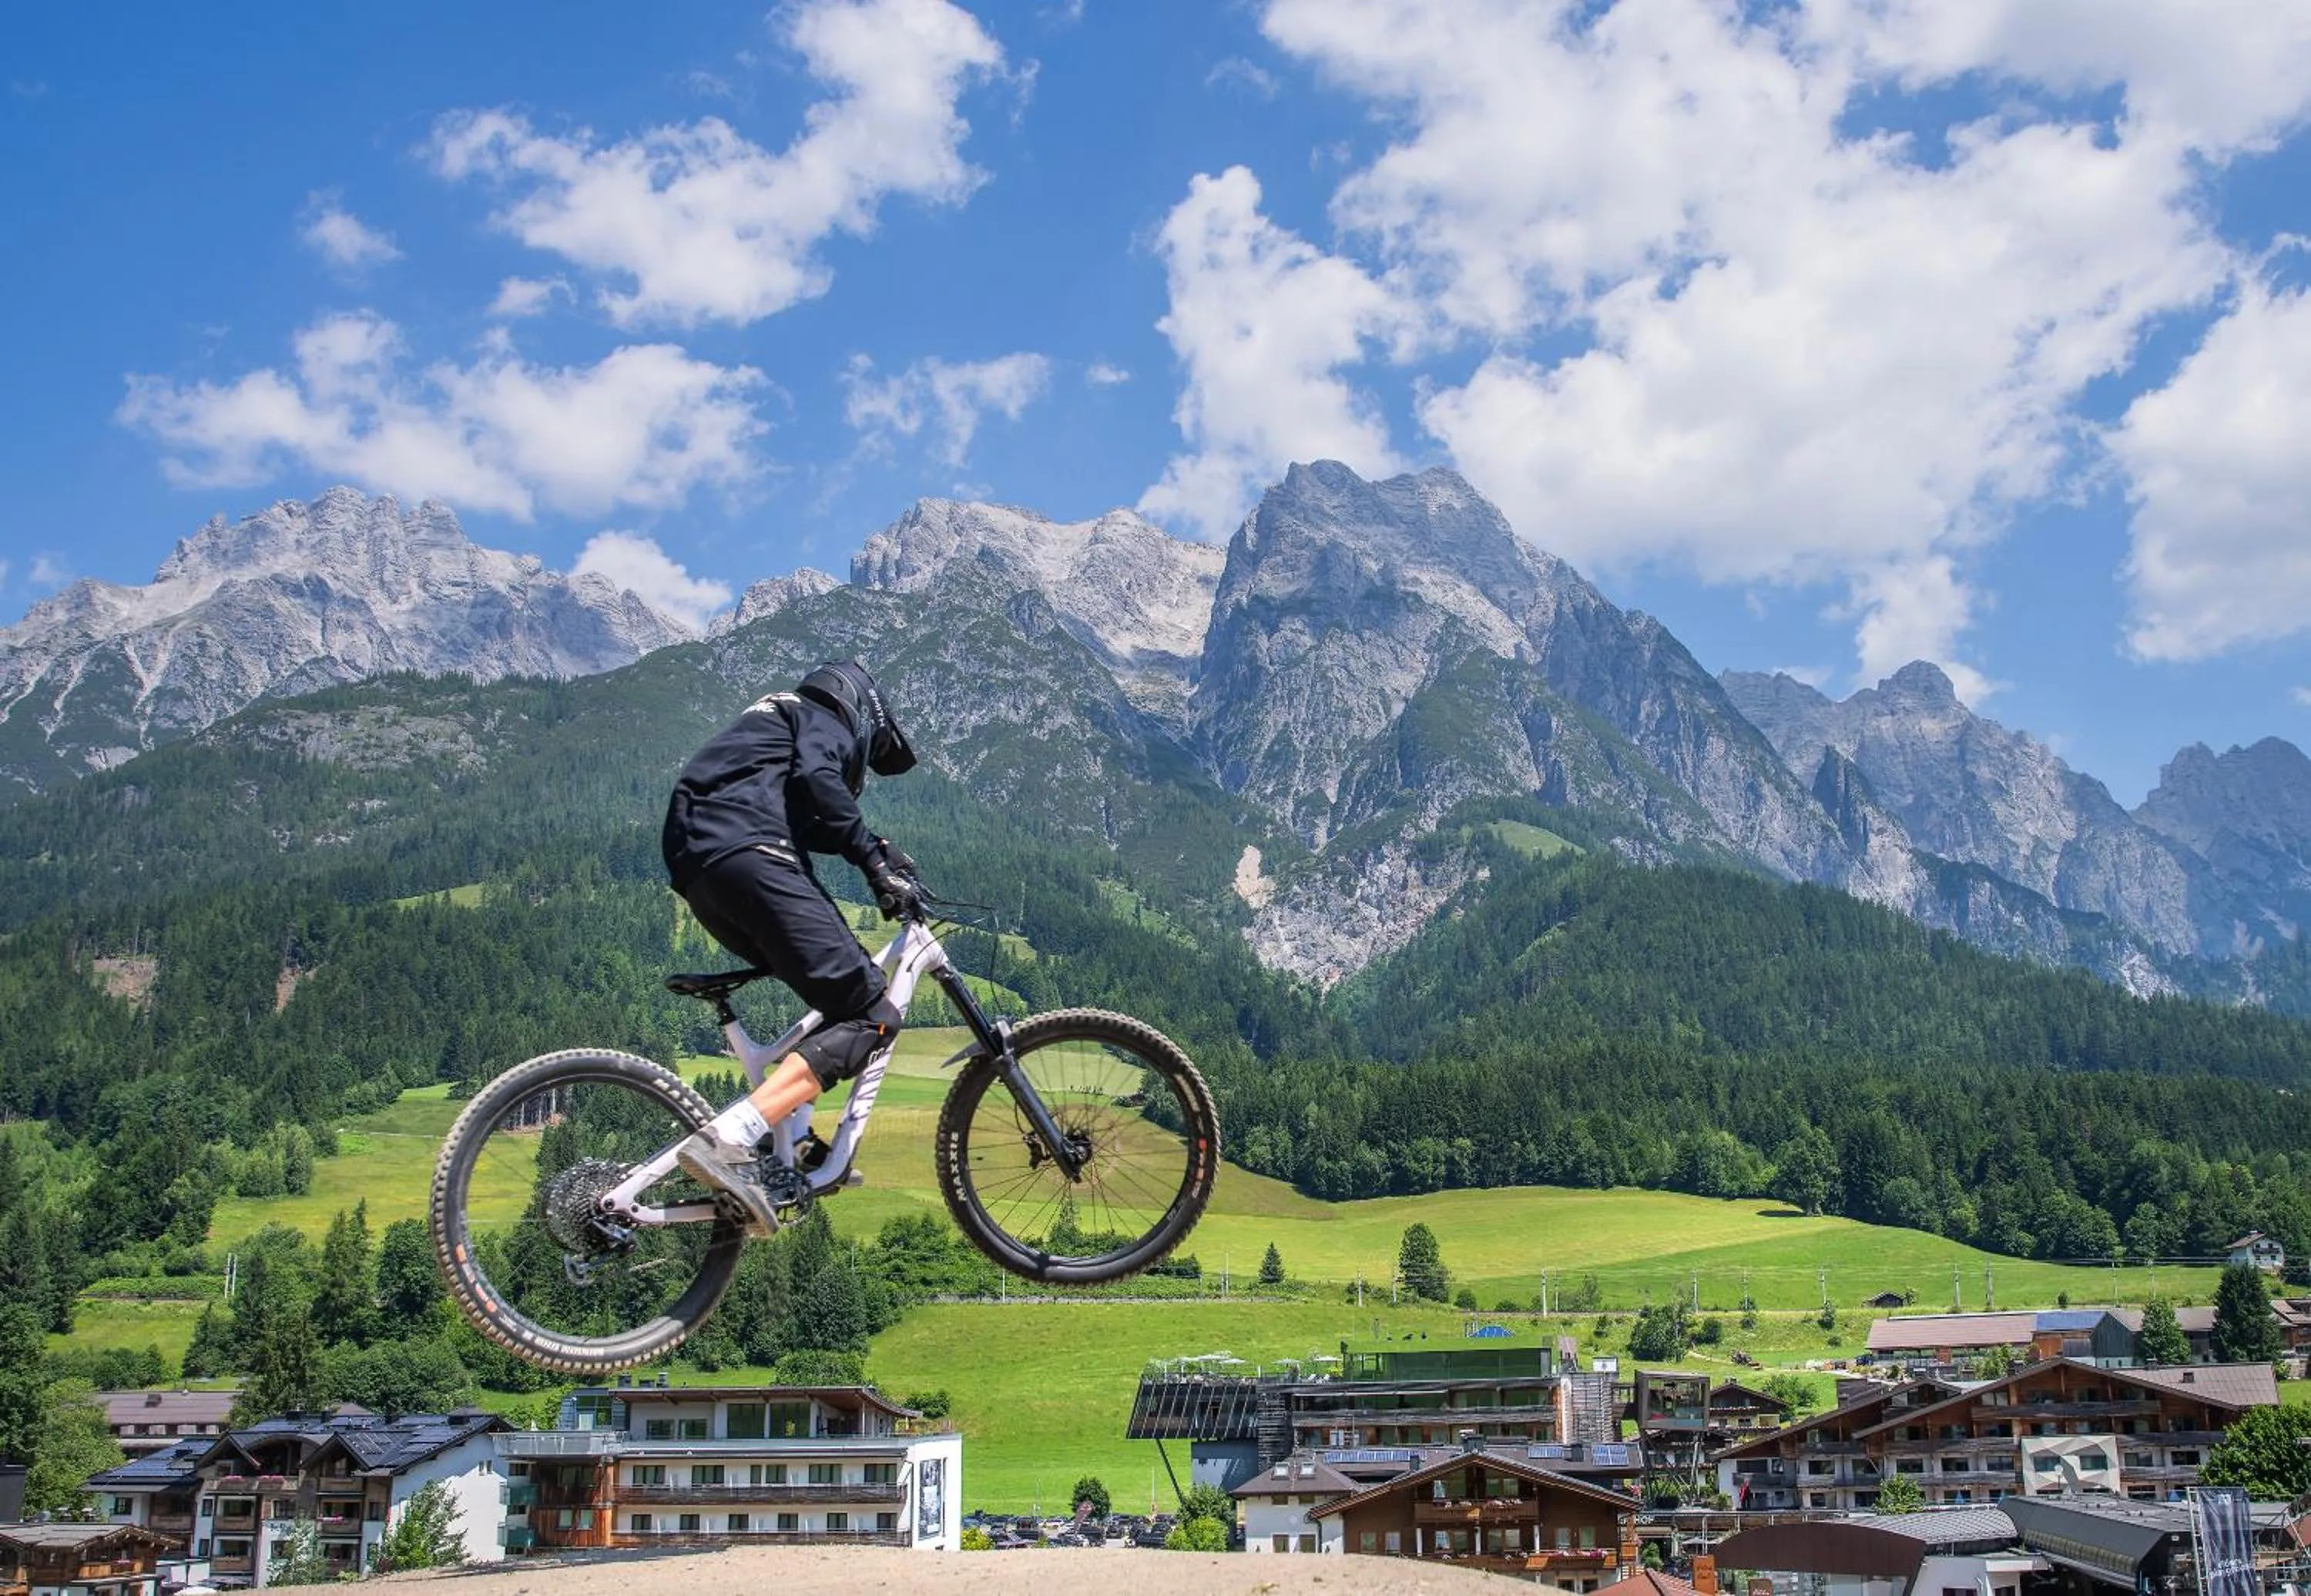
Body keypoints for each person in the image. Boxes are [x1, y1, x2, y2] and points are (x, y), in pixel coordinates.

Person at [659, 659, 921, 1236]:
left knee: (837, 999)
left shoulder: (771, 728)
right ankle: (735, 1134)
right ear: (859, 711)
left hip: (702, 871)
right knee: (873, 1012)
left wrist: (876, 844)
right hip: (751, 855)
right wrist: (875, 865)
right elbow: (824, 786)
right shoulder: (818, 716)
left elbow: (813, 815)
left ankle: (795, 1142)